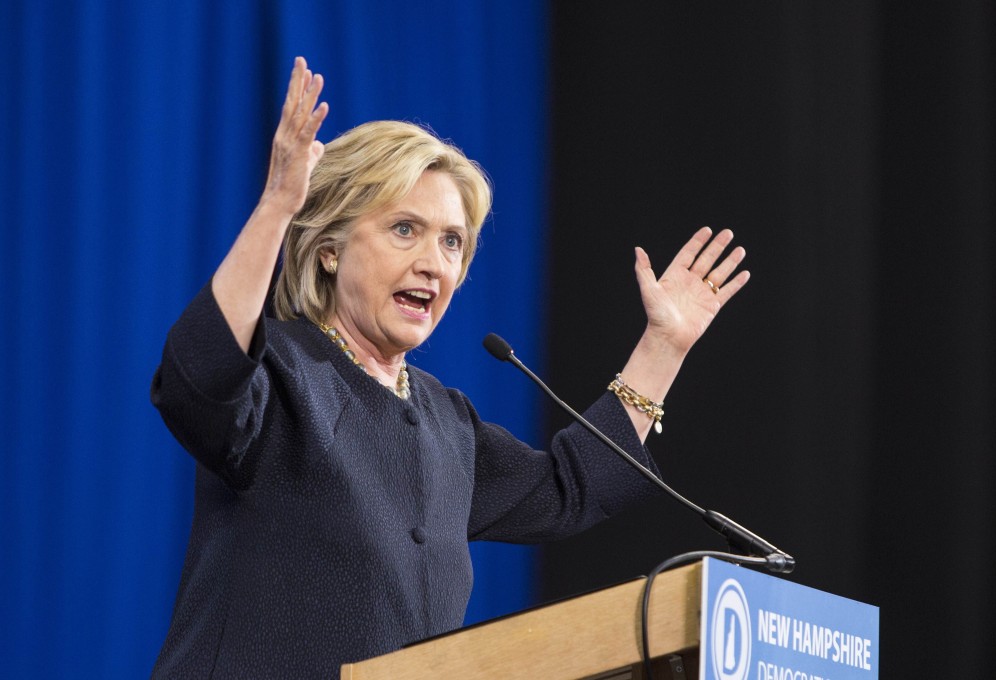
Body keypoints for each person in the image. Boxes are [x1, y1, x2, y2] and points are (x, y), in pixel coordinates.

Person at [150, 57, 749, 679]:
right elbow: (202, 378)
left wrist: (663, 346)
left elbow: (570, 491)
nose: (434, 263)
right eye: (404, 229)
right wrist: (277, 207)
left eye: (452, 241)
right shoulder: (279, 375)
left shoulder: (445, 422)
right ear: (329, 250)